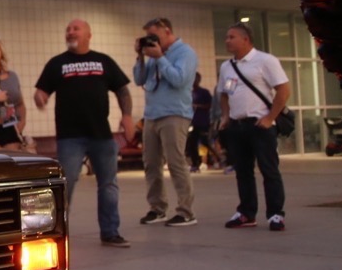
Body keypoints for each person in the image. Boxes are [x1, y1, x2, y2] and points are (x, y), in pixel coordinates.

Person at [34, 19, 137, 248]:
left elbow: (122, 90)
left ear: (88, 34)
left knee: (108, 184)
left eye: (75, 29)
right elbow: (41, 91)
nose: (71, 32)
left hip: (101, 134)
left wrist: (127, 116)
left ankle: (110, 232)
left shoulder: (103, 61)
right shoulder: (57, 63)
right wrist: (39, 98)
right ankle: (56, 233)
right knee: (65, 183)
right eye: (68, 29)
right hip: (70, 137)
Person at [217, 22, 290, 231]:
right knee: (243, 171)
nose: (227, 41)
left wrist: (270, 118)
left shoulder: (265, 61)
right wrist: (225, 116)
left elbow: (283, 90)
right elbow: (223, 93)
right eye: (226, 37)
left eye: (231, 37)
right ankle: (246, 213)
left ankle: (276, 214)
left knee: (269, 170)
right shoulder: (226, 66)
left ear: (245, 39)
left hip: (260, 125)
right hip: (237, 126)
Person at [131, 17, 198, 227]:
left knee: (176, 162)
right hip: (152, 115)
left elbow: (179, 79)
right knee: (151, 164)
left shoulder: (185, 53)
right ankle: (157, 208)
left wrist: (160, 57)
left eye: (154, 35)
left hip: (174, 113)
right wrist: (140, 57)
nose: (152, 41)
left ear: (167, 30)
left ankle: (186, 211)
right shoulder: (153, 56)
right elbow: (140, 80)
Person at [187, 72, 213, 171]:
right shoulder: (188, 92)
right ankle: (194, 163)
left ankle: (208, 160)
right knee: (192, 143)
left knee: (204, 142)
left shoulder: (204, 92)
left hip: (202, 121)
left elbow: (210, 105)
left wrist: (198, 106)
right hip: (191, 122)